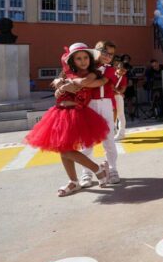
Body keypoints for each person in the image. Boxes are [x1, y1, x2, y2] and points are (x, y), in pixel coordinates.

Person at [25, 43, 110, 196]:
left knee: (65, 149)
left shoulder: (93, 73)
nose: (83, 61)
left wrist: (66, 84)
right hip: (59, 113)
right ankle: (74, 181)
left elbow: (84, 83)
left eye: (85, 58)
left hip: (77, 114)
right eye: (78, 58)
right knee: (63, 148)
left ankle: (97, 170)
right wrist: (60, 85)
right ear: (72, 61)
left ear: (90, 59)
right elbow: (56, 89)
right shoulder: (65, 74)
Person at [77, 41, 121, 186]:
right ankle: (86, 173)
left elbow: (101, 82)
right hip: (89, 105)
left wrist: (81, 83)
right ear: (95, 50)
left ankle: (113, 169)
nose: (107, 56)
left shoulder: (109, 69)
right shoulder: (86, 66)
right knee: (87, 140)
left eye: (111, 54)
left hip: (105, 103)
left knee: (109, 138)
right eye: (104, 52)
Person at [113, 60, 128, 141]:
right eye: (121, 70)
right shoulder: (111, 74)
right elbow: (109, 86)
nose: (123, 72)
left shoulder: (124, 78)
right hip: (109, 97)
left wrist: (117, 91)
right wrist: (118, 91)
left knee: (120, 115)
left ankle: (121, 134)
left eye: (125, 71)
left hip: (117, 97)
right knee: (111, 115)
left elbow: (122, 90)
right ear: (117, 68)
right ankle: (114, 131)